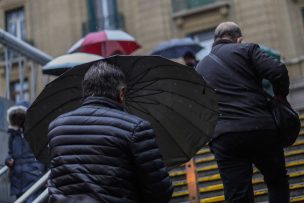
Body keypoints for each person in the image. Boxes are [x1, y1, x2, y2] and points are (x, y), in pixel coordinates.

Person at [47, 61, 173, 203]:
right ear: (122, 93)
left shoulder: (56, 128)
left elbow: (55, 182)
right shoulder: (136, 127)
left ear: (86, 91)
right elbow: (160, 191)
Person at [196, 22, 290, 203]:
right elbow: (278, 72)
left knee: (237, 194)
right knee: (276, 181)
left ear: (215, 40)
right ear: (238, 39)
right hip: (260, 127)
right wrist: (280, 97)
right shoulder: (247, 50)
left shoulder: (200, 68)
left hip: (224, 137)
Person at [5, 105, 45, 202]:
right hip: (18, 179)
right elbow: (10, 153)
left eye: (20, 117)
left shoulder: (36, 133)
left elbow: (44, 153)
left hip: (34, 177)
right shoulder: (13, 136)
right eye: (16, 117)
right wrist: (8, 160)